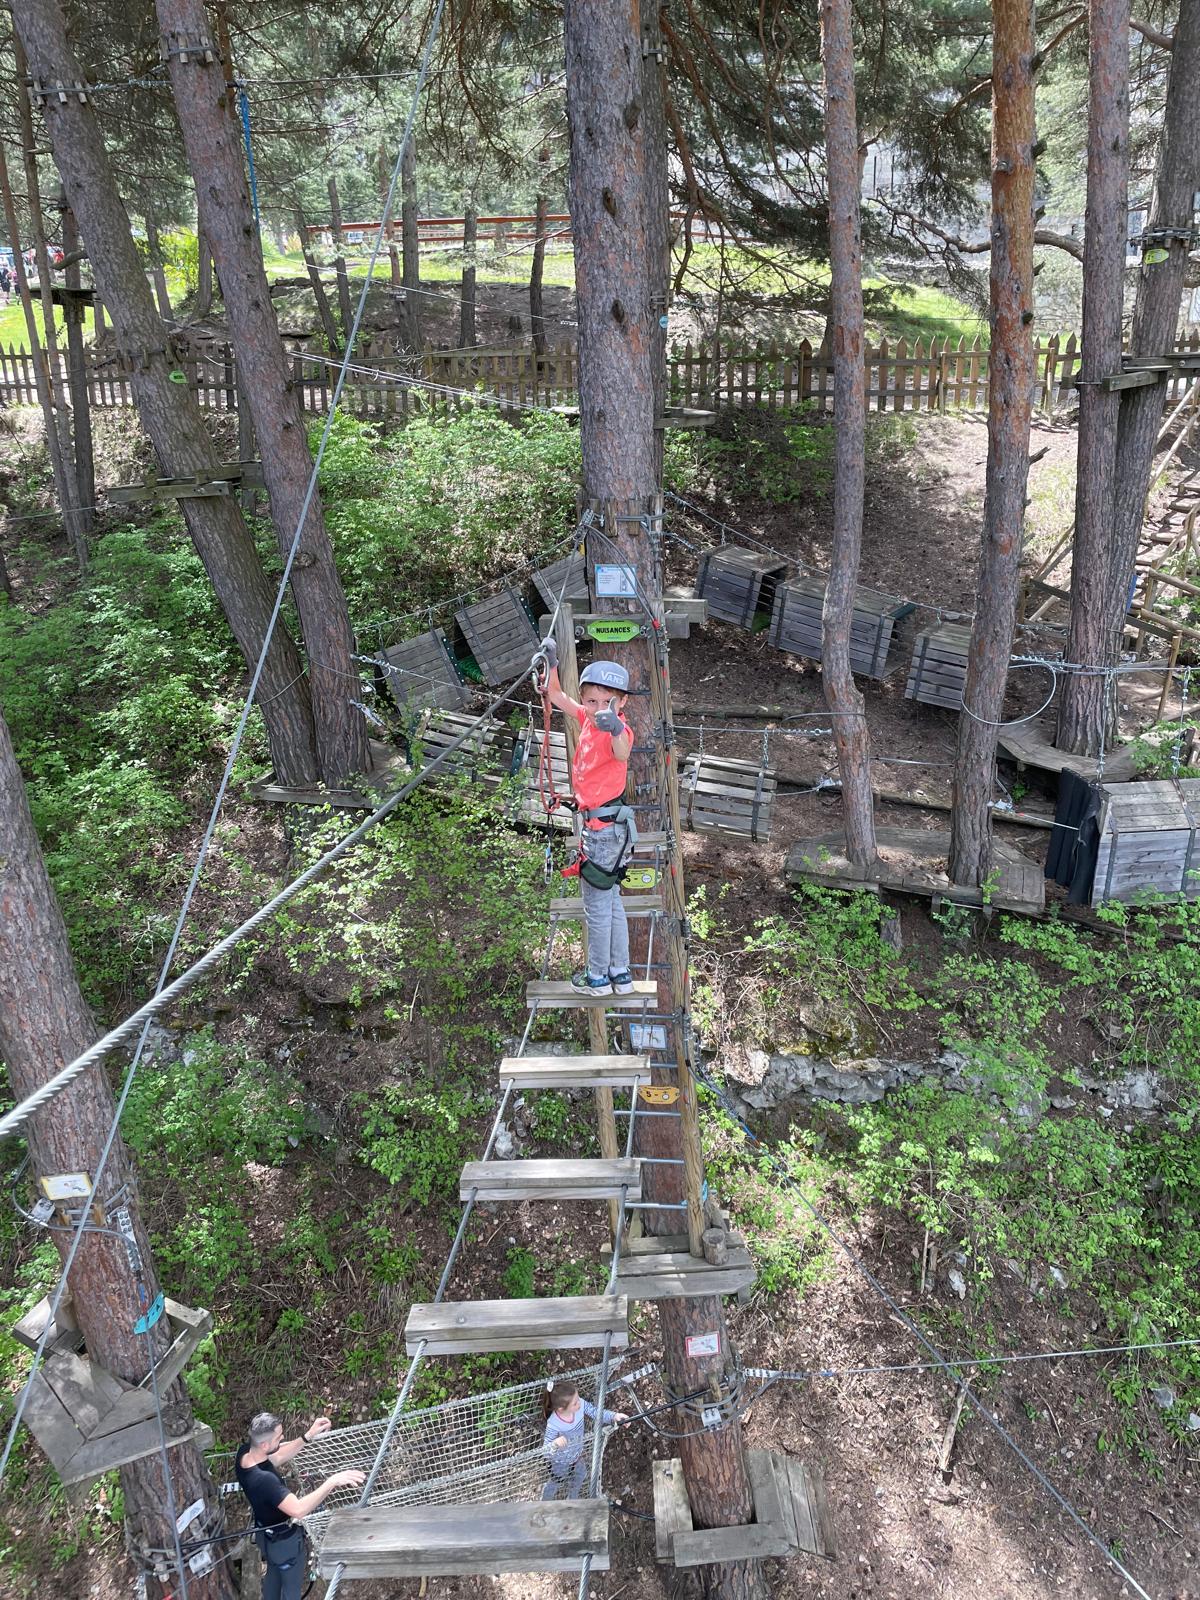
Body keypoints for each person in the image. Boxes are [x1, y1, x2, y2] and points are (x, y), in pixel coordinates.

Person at [540, 639, 637, 996]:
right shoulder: (585, 717)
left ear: (622, 702)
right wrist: (551, 661)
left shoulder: (619, 730)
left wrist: (613, 727)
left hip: (603, 832)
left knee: (596, 907)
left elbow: (623, 753)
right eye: (592, 701)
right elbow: (555, 696)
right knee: (611, 902)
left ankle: (597, 978)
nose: (598, 709)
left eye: (607, 702)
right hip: (607, 828)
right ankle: (620, 973)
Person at [235, 1411, 365, 1600]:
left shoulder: (245, 1454)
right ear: (264, 1444)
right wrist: (332, 1481)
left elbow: (277, 1457)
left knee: (273, 1575)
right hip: (284, 1543)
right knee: (291, 1589)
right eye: (279, 1438)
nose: (282, 1439)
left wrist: (307, 1436)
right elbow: (298, 1509)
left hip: (265, 1535)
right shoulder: (265, 1481)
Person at [540, 1379, 628, 1500]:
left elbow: (596, 1412)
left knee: (581, 1475)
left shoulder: (580, 1405)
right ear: (561, 1408)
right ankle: (544, 1501)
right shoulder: (554, 1424)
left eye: (578, 1399)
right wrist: (555, 1444)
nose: (579, 1403)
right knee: (557, 1481)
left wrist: (614, 1416)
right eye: (575, 1403)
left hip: (576, 1455)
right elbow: (545, 1451)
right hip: (559, 1462)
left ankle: (572, 1498)